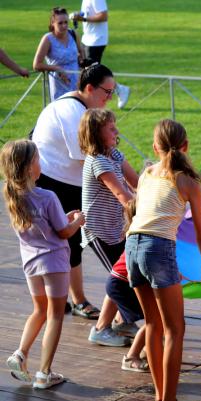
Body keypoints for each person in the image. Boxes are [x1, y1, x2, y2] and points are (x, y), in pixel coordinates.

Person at [126, 119, 201, 401]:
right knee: (175, 330)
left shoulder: (146, 174)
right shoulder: (187, 182)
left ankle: (161, 399)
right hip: (157, 248)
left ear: (155, 147)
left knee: (152, 324)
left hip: (132, 246)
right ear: (186, 146)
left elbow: (143, 215)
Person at [32, 63, 116, 319]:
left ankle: (62, 299)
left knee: (66, 243)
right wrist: (120, 187)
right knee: (67, 242)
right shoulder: (72, 112)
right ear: (89, 88)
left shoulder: (82, 108)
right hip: (54, 183)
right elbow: (89, 156)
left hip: (66, 182)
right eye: (107, 92)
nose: (110, 98)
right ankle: (75, 301)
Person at [2, 139, 85, 390]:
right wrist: (78, 221)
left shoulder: (12, 195)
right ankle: (44, 373)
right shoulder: (48, 196)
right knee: (55, 316)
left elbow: (45, 225)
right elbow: (63, 232)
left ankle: (20, 353)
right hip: (55, 263)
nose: (41, 164)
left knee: (39, 310)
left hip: (31, 263)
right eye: (38, 160)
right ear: (29, 167)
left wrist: (64, 219)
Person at [78, 108, 139, 347]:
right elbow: (122, 194)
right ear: (96, 133)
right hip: (98, 230)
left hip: (115, 228)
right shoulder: (97, 161)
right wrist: (147, 210)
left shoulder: (113, 154)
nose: (117, 131)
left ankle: (122, 321)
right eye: (111, 128)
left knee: (125, 273)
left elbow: (136, 182)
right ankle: (101, 328)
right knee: (119, 276)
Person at [73, 0, 129, 107]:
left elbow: (103, 16)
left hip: (96, 40)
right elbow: (88, 14)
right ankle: (117, 90)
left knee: (92, 71)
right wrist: (79, 16)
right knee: (87, 69)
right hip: (88, 39)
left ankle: (119, 90)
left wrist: (83, 18)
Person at [106, 252, 149, 372]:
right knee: (156, 320)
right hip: (122, 284)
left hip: (121, 281)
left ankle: (148, 351)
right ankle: (131, 357)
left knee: (159, 319)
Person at [33, 7, 83, 100]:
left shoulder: (73, 34)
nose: (64, 26)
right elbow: (36, 65)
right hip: (58, 83)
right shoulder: (48, 39)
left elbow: (81, 51)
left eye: (66, 22)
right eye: (60, 23)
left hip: (76, 83)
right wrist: (57, 68)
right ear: (53, 23)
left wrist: (82, 63)